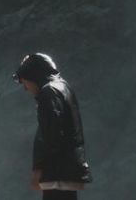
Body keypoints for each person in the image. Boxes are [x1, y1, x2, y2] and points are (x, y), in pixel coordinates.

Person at [13, 53, 92, 199]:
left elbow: (51, 134)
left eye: (25, 82)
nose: (25, 88)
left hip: (57, 171)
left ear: (33, 75)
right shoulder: (64, 87)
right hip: (69, 168)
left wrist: (40, 169)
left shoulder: (48, 93)